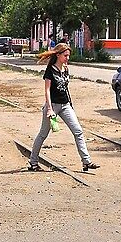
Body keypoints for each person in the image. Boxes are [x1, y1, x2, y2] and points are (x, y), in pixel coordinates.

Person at [27, 42, 96, 172]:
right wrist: (49, 108)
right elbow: (47, 90)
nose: (67, 58)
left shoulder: (65, 69)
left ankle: (86, 162)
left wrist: (70, 104)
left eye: (68, 56)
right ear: (58, 55)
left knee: (78, 131)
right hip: (52, 106)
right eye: (65, 56)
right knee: (43, 134)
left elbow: (65, 89)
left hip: (65, 106)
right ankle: (33, 162)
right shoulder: (50, 70)